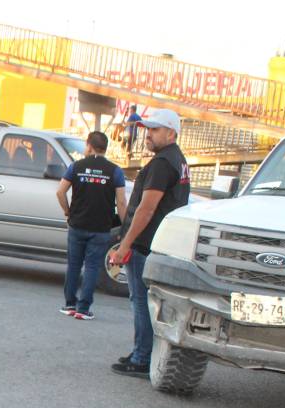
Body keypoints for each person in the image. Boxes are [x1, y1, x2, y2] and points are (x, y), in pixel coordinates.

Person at [107, 109, 189, 377]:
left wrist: (125, 245)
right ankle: (144, 354)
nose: (148, 135)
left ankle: (142, 358)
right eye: (147, 129)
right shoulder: (177, 160)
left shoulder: (163, 163)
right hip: (160, 243)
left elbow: (147, 208)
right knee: (148, 302)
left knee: (141, 301)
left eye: (154, 130)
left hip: (146, 245)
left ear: (171, 133)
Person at [55, 130, 127, 321]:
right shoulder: (115, 171)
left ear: (88, 145)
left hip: (77, 224)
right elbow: (121, 202)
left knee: (74, 265)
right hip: (101, 228)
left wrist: (68, 212)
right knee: (92, 267)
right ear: (105, 148)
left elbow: (60, 192)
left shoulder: (76, 167)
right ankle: (83, 309)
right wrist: (125, 226)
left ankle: (69, 304)